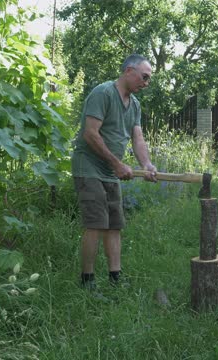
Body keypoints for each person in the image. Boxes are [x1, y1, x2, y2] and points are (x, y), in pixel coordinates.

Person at [71, 54, 157, 291]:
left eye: (149, 79)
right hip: (88, 167)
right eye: (144, 77)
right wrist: (117, 164)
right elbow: (90, 133)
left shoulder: (135, 105)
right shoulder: (104, 93)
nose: (146, 83)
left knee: (114, 224)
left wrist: (146, 165)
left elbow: (137, 138)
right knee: (96, 224)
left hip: (110, 171)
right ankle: (87, 280)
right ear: (129, 71)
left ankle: (115, 278)